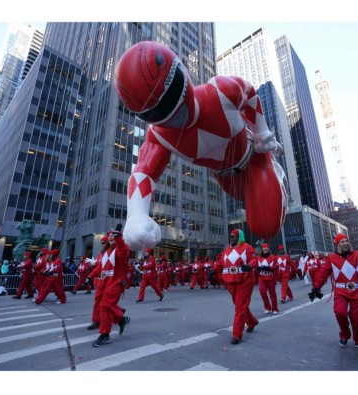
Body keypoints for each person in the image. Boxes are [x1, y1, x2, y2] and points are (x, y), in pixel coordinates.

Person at [116, 41, 287, 252]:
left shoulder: (221, 91)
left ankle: (275, 175)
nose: (175, 113)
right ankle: (266, 186)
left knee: (265, 225)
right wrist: (136, 215)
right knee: (252, 202)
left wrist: (261, 132)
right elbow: (143, 172)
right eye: (157, 111)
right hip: (224, 176)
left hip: (254, 158)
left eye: (171, 96)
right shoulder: (159, 135)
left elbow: (250, 93)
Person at [88, 225, 131, 347]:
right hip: (105, 283)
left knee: (105, 306)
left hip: (116, 283)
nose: (111, 236)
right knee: (104, 305)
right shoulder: (106, 252)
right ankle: (121, 319)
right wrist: (90, 276)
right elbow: (100, 268)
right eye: (110, 235)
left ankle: (105, 335)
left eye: (114, 235)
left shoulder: (122, 249)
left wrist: (119, 238)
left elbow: (122, 250)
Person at [219, 229, 259, 345]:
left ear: (240, 237)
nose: (232, 238)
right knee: (240, 305)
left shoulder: (247, 247)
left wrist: (249, 266)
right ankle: (252, 322)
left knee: (240, 307)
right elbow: (221, 261)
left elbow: (254, 260)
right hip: (230, 281)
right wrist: (213, 269)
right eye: (231, 236)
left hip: (244, 280)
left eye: (234, 236)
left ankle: (237, 335)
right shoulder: (226, 250)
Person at [86, 236, 110, 331]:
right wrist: (91, 273)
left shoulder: (111, 253)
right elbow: (99, 266)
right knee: (99, 302)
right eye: (101, 243)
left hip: (108, 282)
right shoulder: (101, 253)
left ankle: (118, 315)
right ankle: (97, 320)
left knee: (106, 304)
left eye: (104, 243)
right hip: (100, 281)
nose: (102, 244)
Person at [257, 243, 279, 314]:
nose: (265, 251)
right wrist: (257, 268)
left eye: (266, 249)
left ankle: (274, 308)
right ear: (262, 250)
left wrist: (269, 268)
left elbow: (277, 266)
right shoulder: (259, 258)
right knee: (262, 292)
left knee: (272, 294)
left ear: (268, 250)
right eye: (264, 250)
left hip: (270, 278)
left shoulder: (273, 257)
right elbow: (256, 265)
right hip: (262, 278)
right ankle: (267, 307)